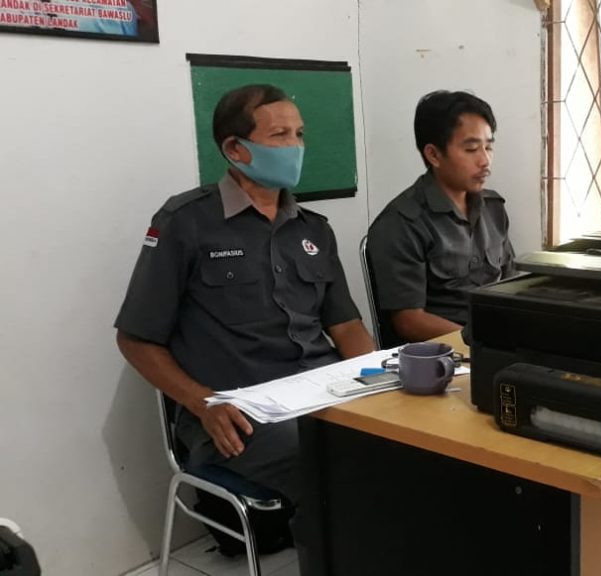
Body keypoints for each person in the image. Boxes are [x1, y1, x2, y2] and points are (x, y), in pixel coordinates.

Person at [114, 84, 375, 530]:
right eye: (279, 136)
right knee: (346, 470)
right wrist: (203, 405)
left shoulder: (313, 229)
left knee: (409, 444)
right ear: (235, 148)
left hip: (322, 392)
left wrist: (378, 383)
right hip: (239, 414)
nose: (295, 147)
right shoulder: (186, 223)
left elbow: (346, 325)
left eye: (299, 134)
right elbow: (136, 339)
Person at [366, 90, 515, 346]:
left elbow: (513, 287)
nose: (485, 160)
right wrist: (482, 342)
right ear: (433, 155)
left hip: (496, 343)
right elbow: (409, 321)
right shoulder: (401, 222)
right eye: (471, 149)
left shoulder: (493, 209)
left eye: (489, 146)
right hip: (441, 354)